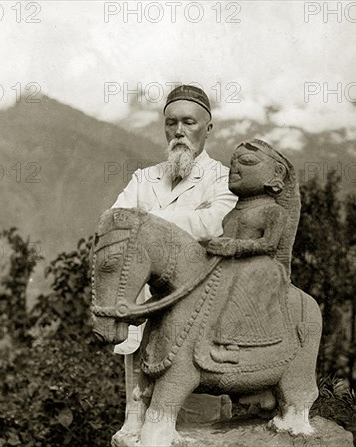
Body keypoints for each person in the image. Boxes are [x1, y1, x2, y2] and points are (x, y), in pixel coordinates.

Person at [110, 84, 237, 432]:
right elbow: (116, 226)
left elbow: (214, 225)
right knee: (138, 424)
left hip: (196, 324)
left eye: (189, 122)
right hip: (143, 315)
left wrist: (145, 225)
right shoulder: (144, 179)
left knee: (198, 426)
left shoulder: (224, 180)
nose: (179, 131)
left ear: (207, 128)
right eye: (171, 123)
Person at [206, 138, 301, 364]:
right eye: (232, 162)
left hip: (260, 267)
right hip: (230, 263)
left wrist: (236, 246)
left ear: (275, 174)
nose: (234, 168)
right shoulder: (232, 213)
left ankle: (229, 342)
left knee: (245, 277)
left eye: (247, 161)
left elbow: (269, 244)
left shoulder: (272, 211)